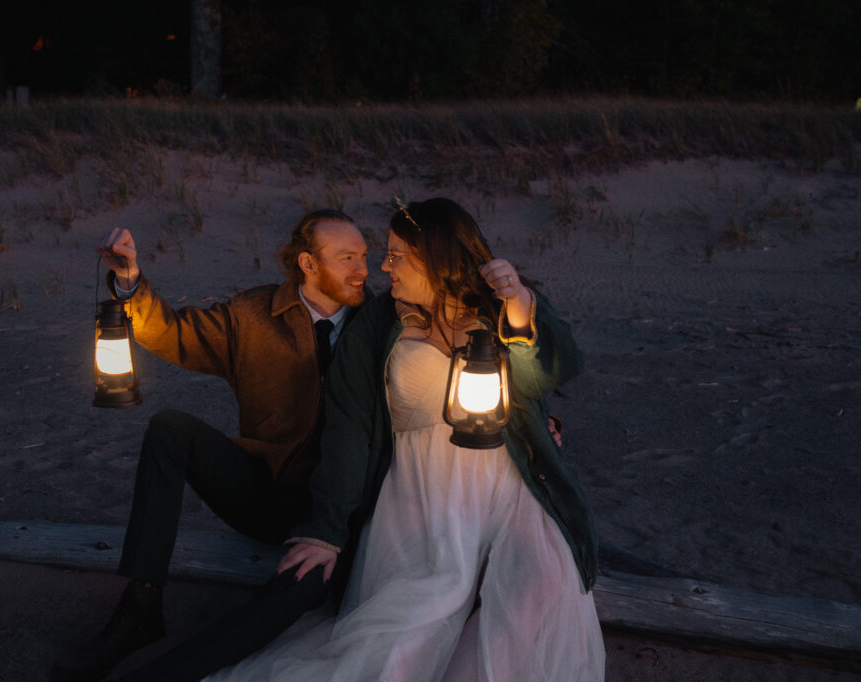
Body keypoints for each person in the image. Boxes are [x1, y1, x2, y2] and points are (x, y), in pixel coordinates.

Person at [205, 197, 605, 681]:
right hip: (421, 495)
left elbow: (549, 374)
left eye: (396, 255)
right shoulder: (378, 324)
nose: (384, 266)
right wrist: (326, 531)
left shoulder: (498, 306)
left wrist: (519, 307)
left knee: (540, 587)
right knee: (412, 624)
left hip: (508, 487)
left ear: (434, 258)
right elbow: (349, 428)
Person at [51, 209, 370, 682]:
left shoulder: (379, 325)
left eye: (365, 256)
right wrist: (130, 281)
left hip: (341, 512)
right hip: (264, 491)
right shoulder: (254, 315)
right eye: (347, 258)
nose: (363, 269)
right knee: (169, 429)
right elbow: (175, 335)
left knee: (298, 597)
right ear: (308, 262)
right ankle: (140, 607)